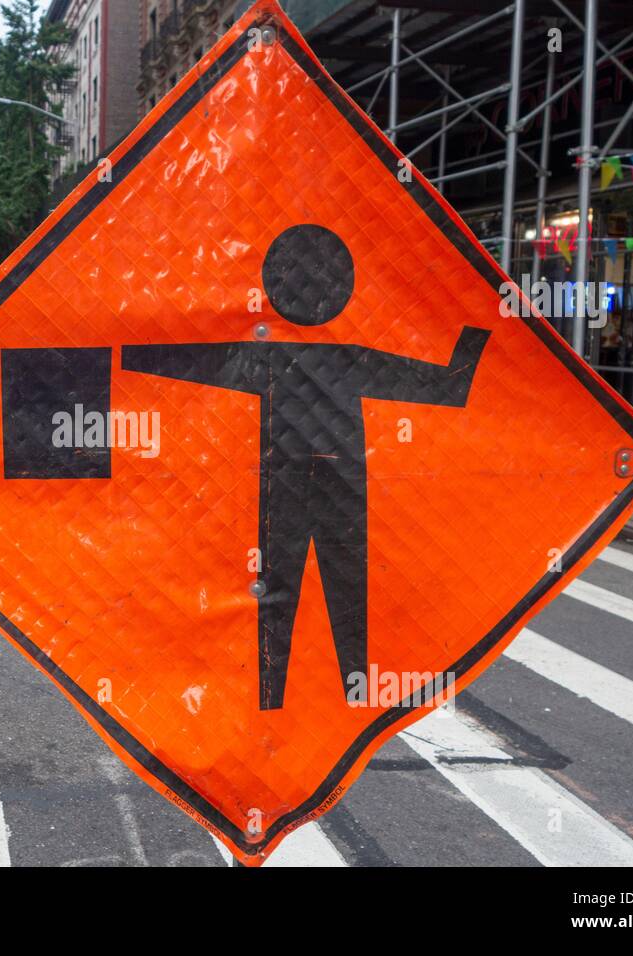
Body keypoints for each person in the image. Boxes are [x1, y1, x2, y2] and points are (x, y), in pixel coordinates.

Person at [122, 225, 491, 710]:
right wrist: (479, 329)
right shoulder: (342, 358)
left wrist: (125, 341)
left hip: (292, 483)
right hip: (329, 486)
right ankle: (340, 697)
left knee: (283, 594)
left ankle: (278, 701)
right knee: (340, 593)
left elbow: (187, 358)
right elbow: (448, 386)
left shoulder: (271, 357)